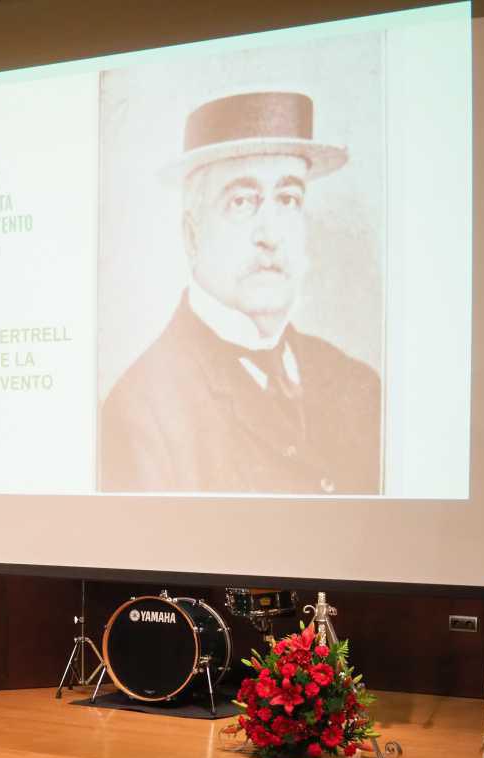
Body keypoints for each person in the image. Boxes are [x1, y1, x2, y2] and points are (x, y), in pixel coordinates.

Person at [100, 91, 381, 494]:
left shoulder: (359, 387)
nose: (269, 235)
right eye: (241, 202)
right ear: (192, 236)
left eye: (288, 199)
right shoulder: (142, 415)